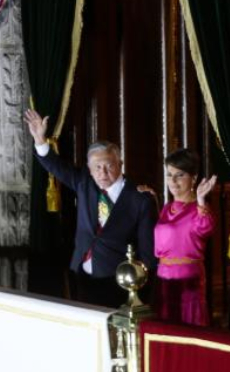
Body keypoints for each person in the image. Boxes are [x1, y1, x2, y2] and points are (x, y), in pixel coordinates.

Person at [24, 108, 157, 308]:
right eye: (97, 167)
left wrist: (144, 289)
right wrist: (40, 140)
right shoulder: (84, 183)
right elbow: (56, 166)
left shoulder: (140, 199)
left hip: (119, 280)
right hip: (83, 272)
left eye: (109, 166)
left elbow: (148, 251)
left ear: (120, 164)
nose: (103, 173)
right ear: (89, 168)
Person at [153, 149, 216, 326]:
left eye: (179, 175)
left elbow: (205, 228)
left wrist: (201, 200)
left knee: (188, 331)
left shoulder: (199, 208)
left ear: (193, 178)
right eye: (169, 174)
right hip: (164, 278)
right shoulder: (167, 208)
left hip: (188, 280)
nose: (172, 181)